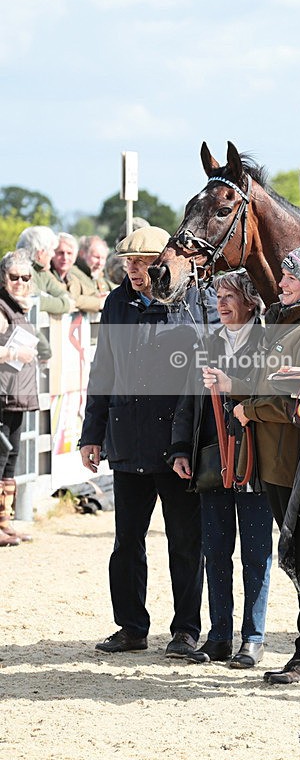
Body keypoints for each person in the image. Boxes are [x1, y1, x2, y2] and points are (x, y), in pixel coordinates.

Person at [79, 226, 218, 657]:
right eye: (129, 262)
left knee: (185, 542)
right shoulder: (116, 302)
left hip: (179, 446)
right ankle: (131, 627)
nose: (135, 270)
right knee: (126, 544)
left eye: (142, 262)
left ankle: (186, 630)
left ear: (163, 261)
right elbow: (103, 369)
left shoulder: (195, 302)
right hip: (127, 438)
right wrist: (92, 434)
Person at [232, 243, 300, 686]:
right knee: (295, 555)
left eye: (291, 277)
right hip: (276, 460)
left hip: (295, 460)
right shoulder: (286, 321)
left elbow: (298, 398)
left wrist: (249, 410)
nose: (282, 283)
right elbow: (266, 381)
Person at [171, 271, 273, 668]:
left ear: (250, 300)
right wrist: (180, 449)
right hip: (213, 461)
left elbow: (273, 391)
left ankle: (253, 637)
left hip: (256, 461)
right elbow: (187, 400)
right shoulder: (208, 342)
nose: (222, 303)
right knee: (215, 551)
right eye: (219, 295)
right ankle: (219, 636)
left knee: (256, 553)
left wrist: (235, 383)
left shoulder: (269, 342)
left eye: (230, 295)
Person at [0, 249, 51, 547]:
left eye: (25, 277)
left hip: (16, 395)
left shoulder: (19, 307)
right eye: (13, 277)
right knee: (1, 457)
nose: (19, 282)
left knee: (10, 461)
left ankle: (5, 522)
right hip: (4, 395)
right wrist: (13, 353)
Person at [16, 226, 75, 315]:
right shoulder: (20, 271)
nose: (53, 254)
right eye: (51, 250)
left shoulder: (42, 272)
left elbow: (63, 294)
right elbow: (35, 300)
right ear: (41, 253)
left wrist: (51, 299)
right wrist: (66, 305)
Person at [51, 233, 108, 313]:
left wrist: (98, 297)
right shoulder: (48, 275)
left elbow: (88, 293)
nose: (65, 258)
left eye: (69, 253)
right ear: (52, 254)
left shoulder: (71, 278)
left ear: (74, 256)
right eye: (60, 253)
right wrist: (98, 302)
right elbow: (70, 298)